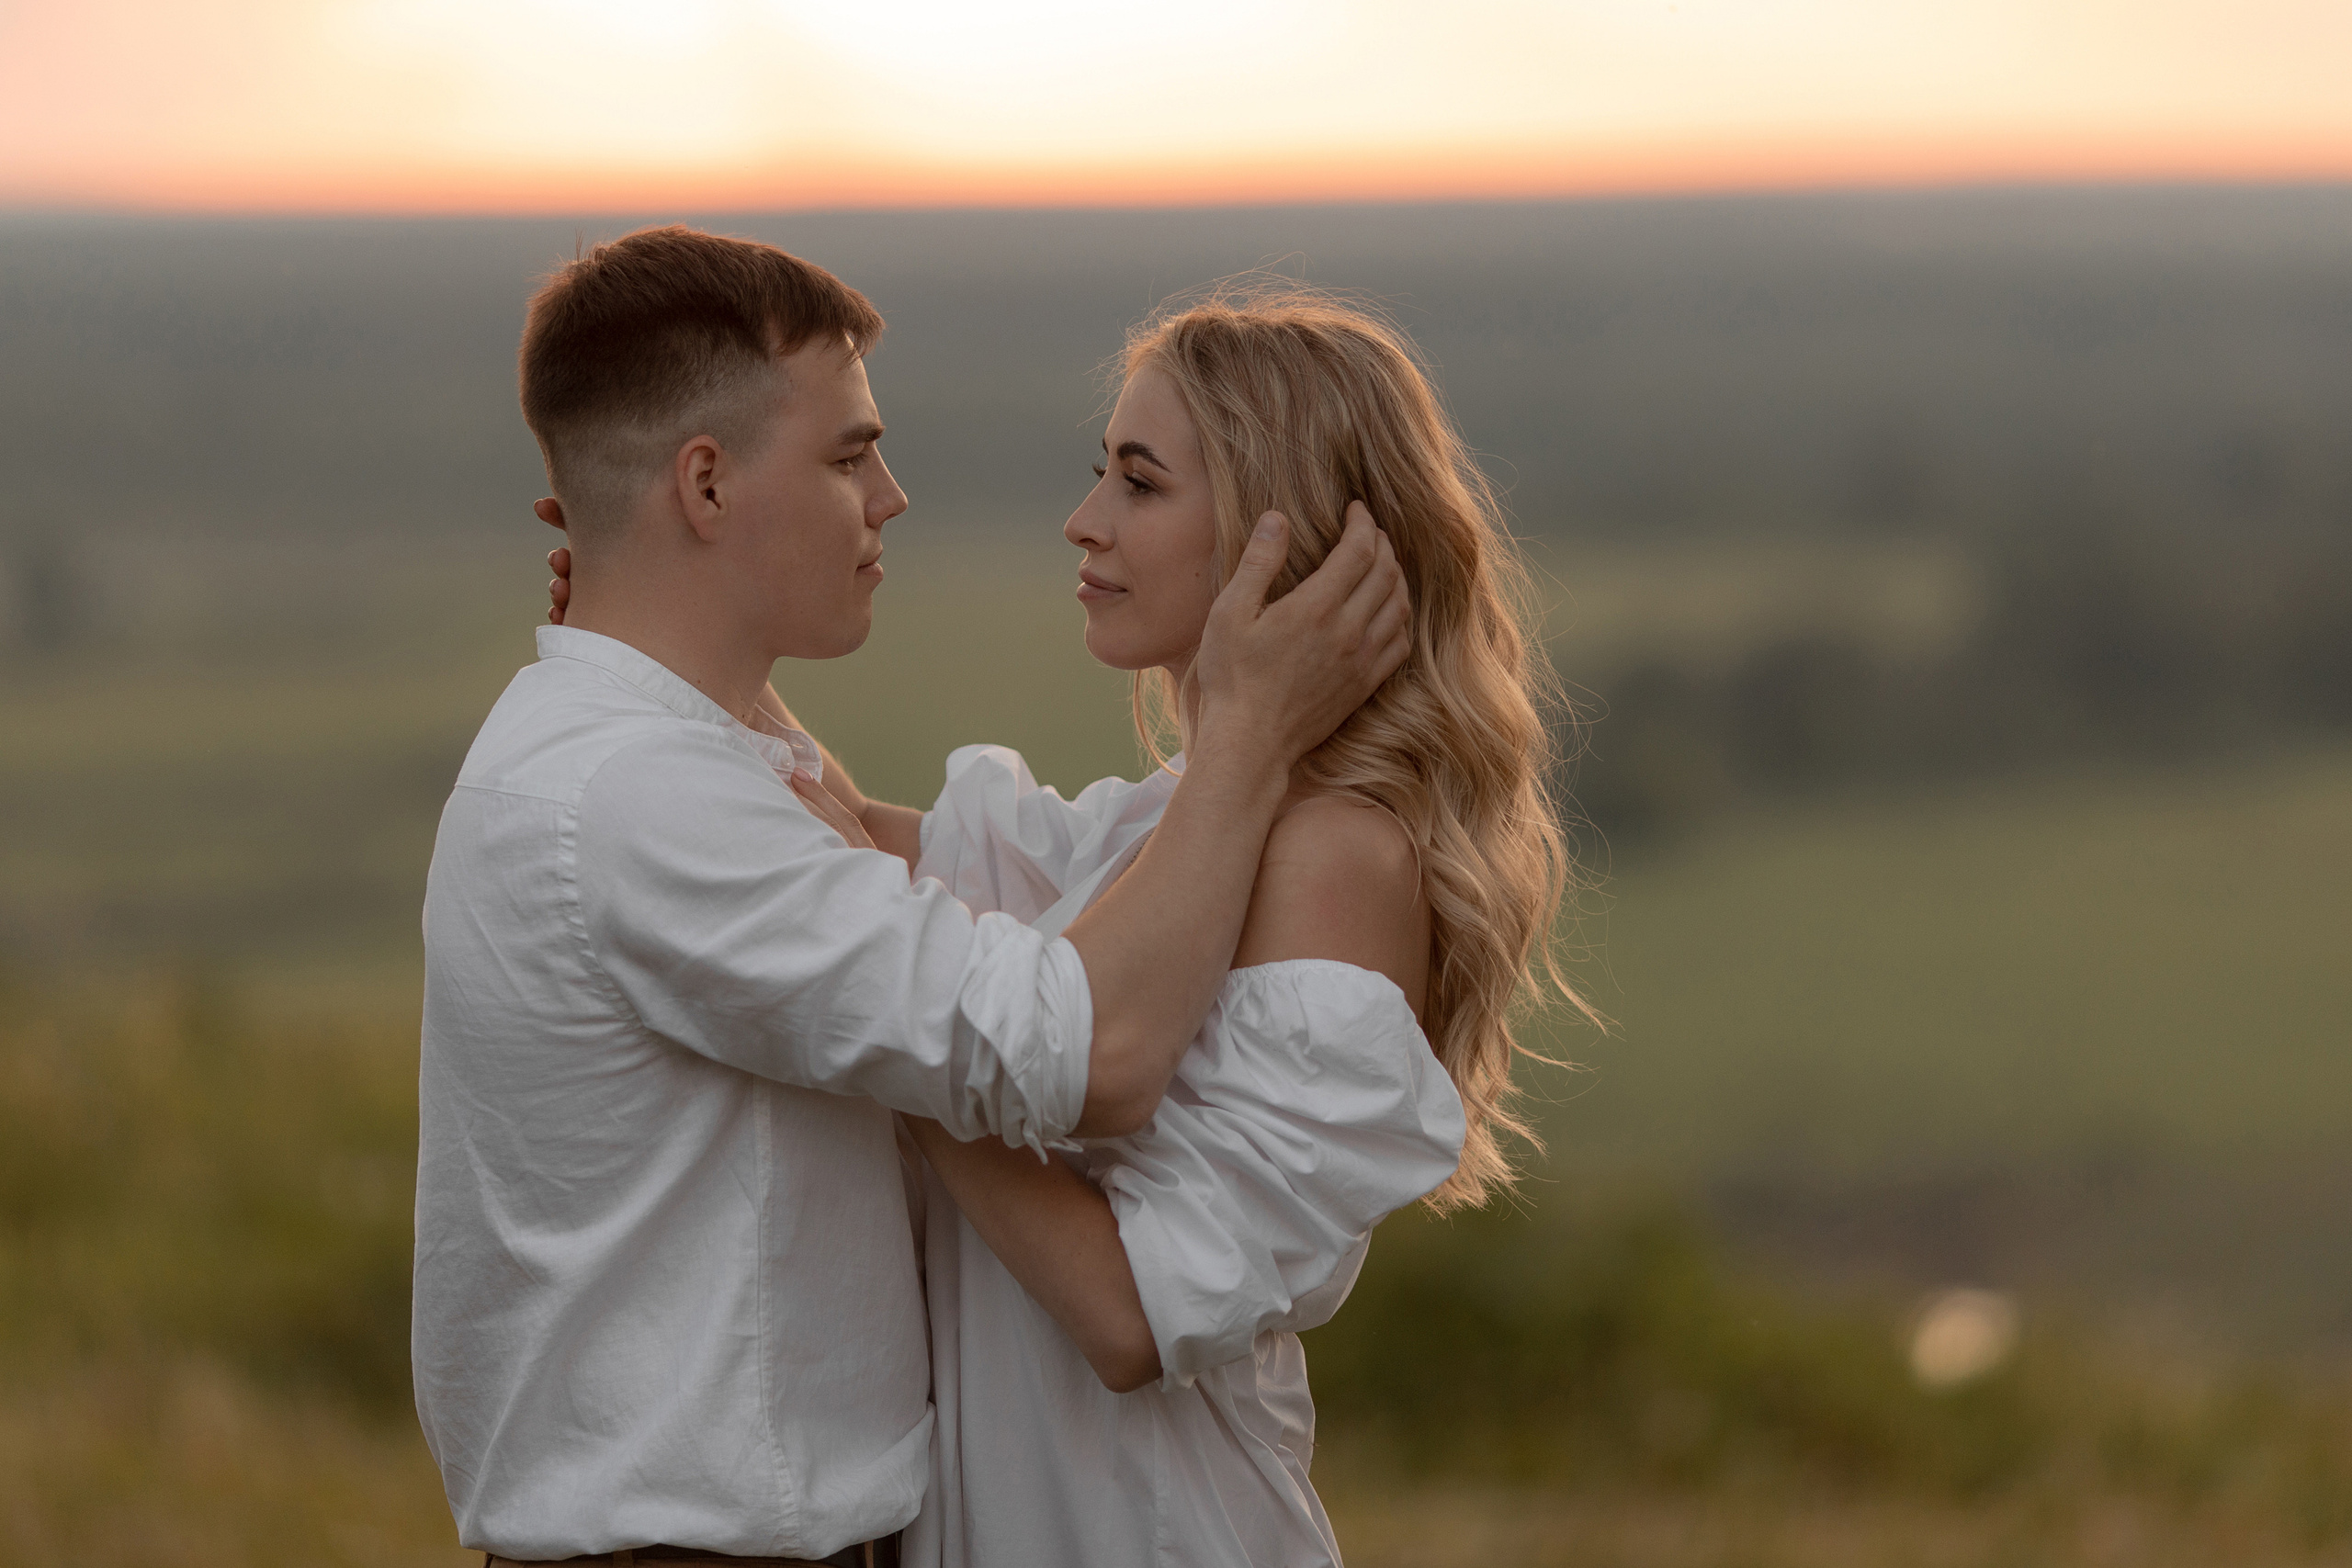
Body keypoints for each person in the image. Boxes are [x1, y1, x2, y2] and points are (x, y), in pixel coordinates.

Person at [414, 228, 1409, 1568]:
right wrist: (1244, 737)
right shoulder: (642, 798)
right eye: (846, 454)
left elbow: (861, 864)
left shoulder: (629, 764)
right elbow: (1088, 1048)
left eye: (1137, 478)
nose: (889, 496)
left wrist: (669, 633)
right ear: (704, 486)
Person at [891, 286, 1600, 1567]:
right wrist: (660, 645)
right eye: (1099, 472)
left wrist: (893, 1043)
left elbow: (1128, 1313)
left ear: (1283, 538)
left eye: (1142, 484)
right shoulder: (1177, 829)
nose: (1085, 521)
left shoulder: (1333, 857)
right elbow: (852, 853)